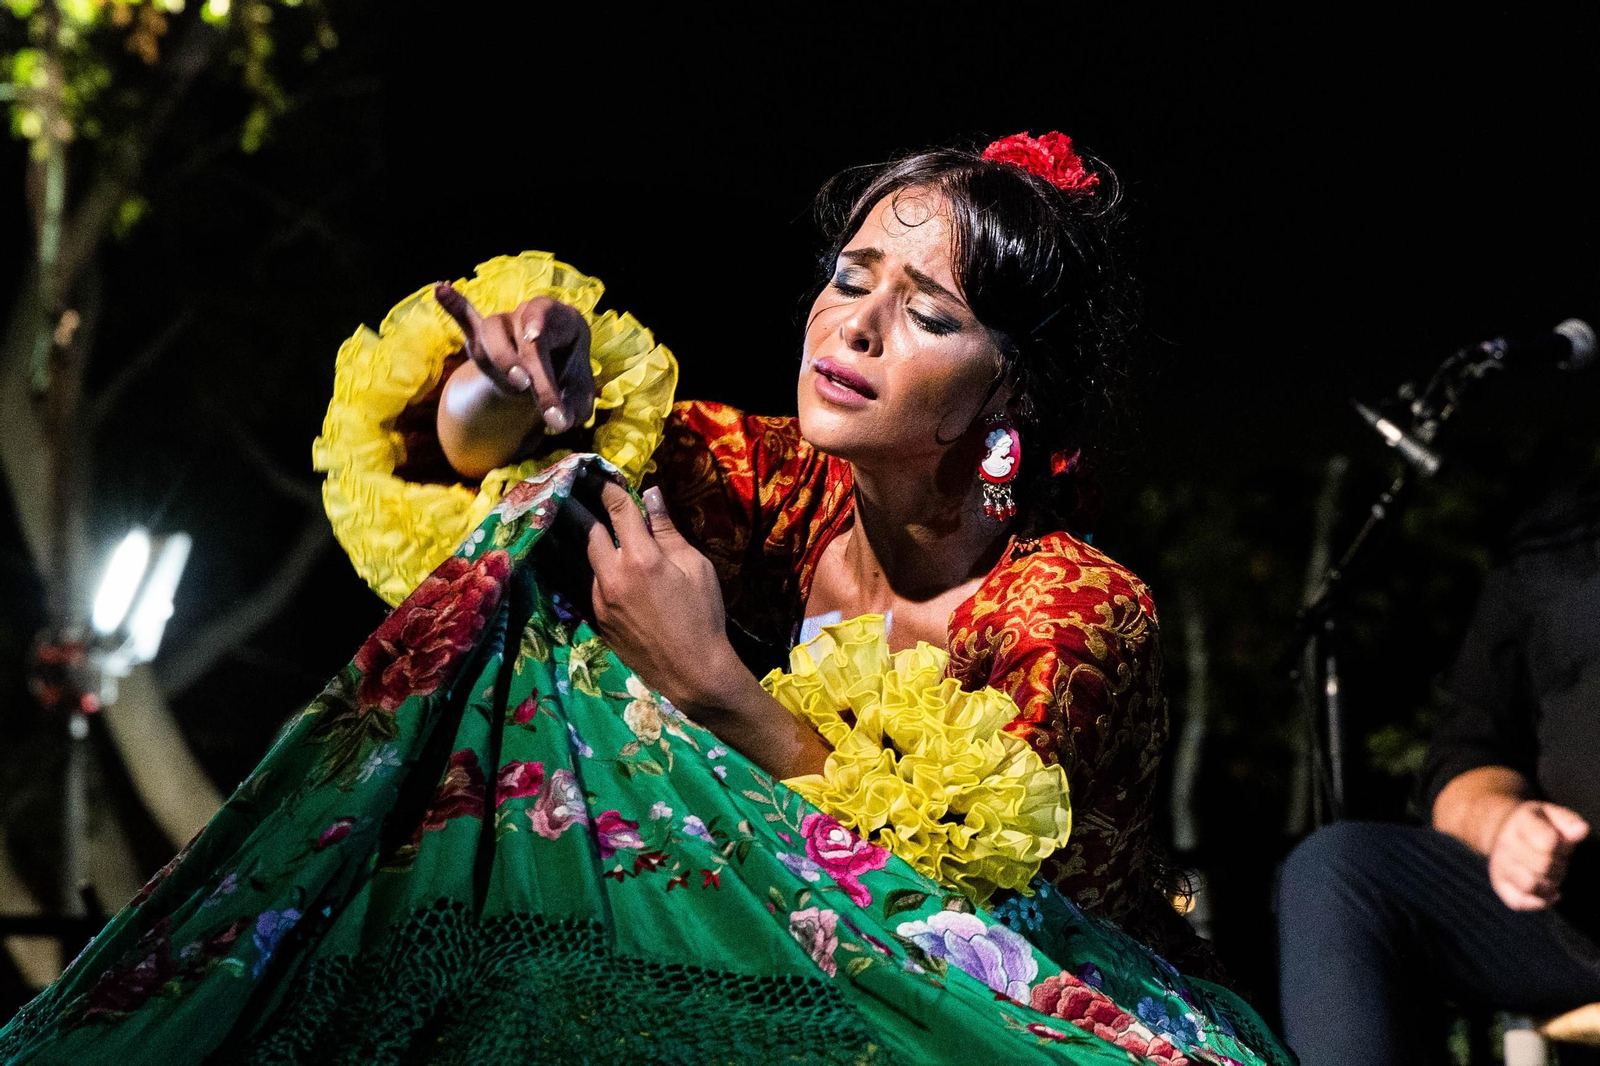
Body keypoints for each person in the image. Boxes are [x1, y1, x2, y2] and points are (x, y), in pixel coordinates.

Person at [0, 133, 1293, 1065]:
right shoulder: (789, 491)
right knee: (532, 571)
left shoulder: (1075, 608)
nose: (854, 326)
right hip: (840, 998)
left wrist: (714, 692)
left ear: (1010, 393)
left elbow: (953, 910)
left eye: (928, 311)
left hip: (1058, 1024)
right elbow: (503, 475)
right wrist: (512, 386)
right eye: (850, 278)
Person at [1277, 468, 1600, 1065]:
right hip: (1578, 918)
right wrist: (1505, 826)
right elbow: (1469, 753)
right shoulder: (1554, 542)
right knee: (1341, 871)